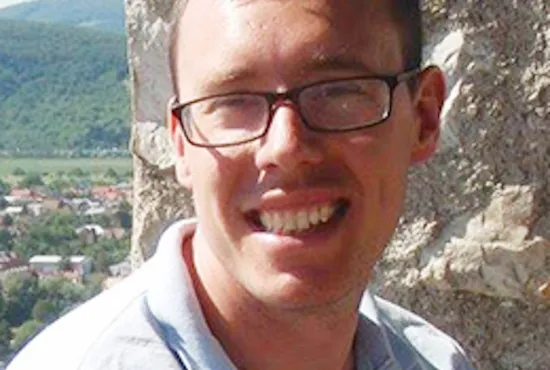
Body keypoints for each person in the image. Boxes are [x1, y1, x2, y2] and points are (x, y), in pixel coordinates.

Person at [7, 0, 475, 369]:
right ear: (182, 146)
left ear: (424, 117)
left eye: (339, 90)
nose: (285, 147)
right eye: (233, 102)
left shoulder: (434, 361)